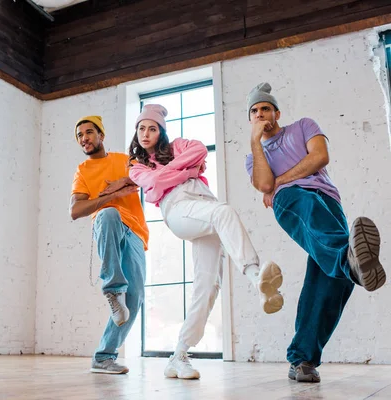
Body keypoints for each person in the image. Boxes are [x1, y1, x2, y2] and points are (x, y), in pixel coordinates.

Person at [128, 104, 283, 380]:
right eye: (142, 128)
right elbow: (153, 182)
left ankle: (179, 354)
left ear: (161, 132)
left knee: (208, 286)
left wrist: (175, 171)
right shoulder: (137, 166)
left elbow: (199, 150)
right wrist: (187, 171)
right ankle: (257, 276)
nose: (146, 133)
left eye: (152, 128)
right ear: (137, 132)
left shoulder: (177, 145)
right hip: (179, 210)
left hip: (205, 208)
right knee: (225, 212)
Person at [245, 82, 386, 383]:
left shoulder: (303, 126)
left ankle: (302, 359)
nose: (260, 114)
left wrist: (280, 177)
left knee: (329, 278)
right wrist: (256, 144)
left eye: (265, 108)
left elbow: (319, 157)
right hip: (292, 200)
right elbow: (266, 186)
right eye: (254, 111)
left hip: (330, 201)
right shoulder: (252, 157)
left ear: (277, 112)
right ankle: (350, 264)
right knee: (318, 221)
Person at [69, 115, 148, 374]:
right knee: (110, 212)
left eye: (89, 132)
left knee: (135, 299)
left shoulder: (122, 160)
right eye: (80, 135)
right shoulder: (83, 171)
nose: (84, 138)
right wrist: (112, 196)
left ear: (101, 135)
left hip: (135, 231)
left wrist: (123, 181)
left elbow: (146, 175)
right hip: (108, 225)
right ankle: (113, 289)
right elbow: (75, 210)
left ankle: (103, 357)